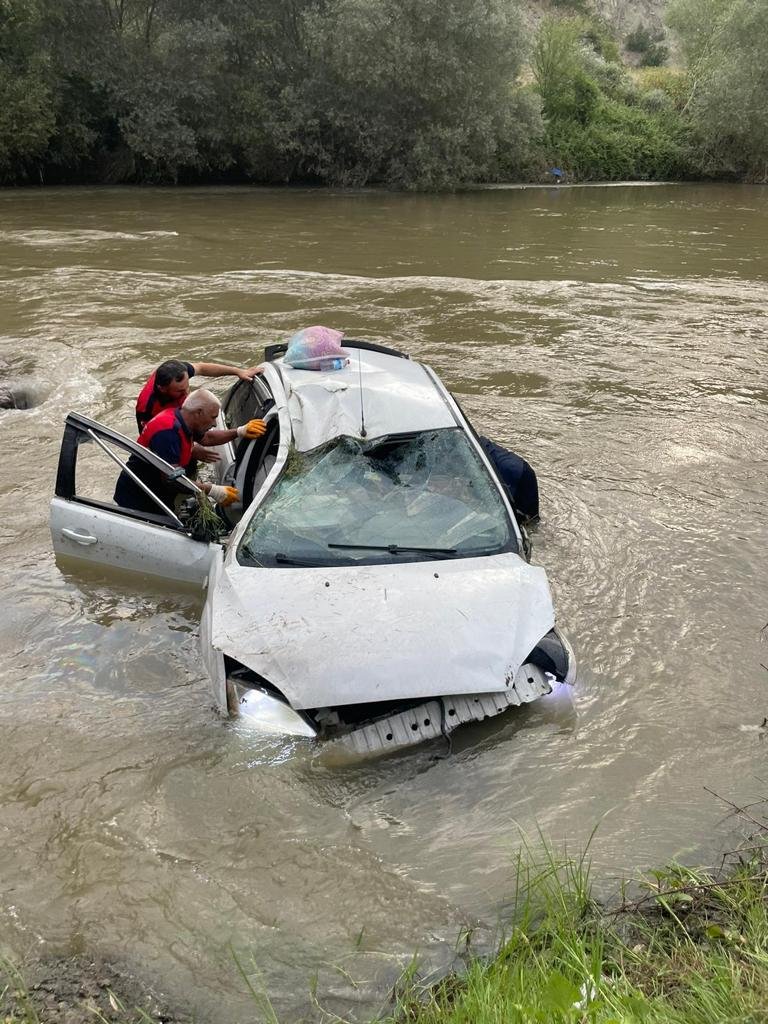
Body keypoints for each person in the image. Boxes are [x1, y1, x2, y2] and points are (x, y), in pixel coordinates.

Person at [114, 389, 265, 515]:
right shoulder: (168, 433)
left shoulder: (184, 418)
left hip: (156, 489)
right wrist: (212, 490)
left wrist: (239, 431)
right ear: (198, 413)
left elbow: (207, 438)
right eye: (213, 417)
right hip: (140, 496)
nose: (214, 423)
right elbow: (172, 480)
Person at [135, 358, 261, 433]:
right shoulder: (147, 408)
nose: (186, 394)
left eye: (187, 388)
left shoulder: (179, 372)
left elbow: (202, 368)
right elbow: (152, 440)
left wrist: (238, 371)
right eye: (180, 392)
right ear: (162, 389)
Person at [479, 436, 539, 522]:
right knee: (531, 521)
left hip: (512, 475)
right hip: (523, 468)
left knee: (508, 519)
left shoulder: (461, 448)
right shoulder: (469, 437)